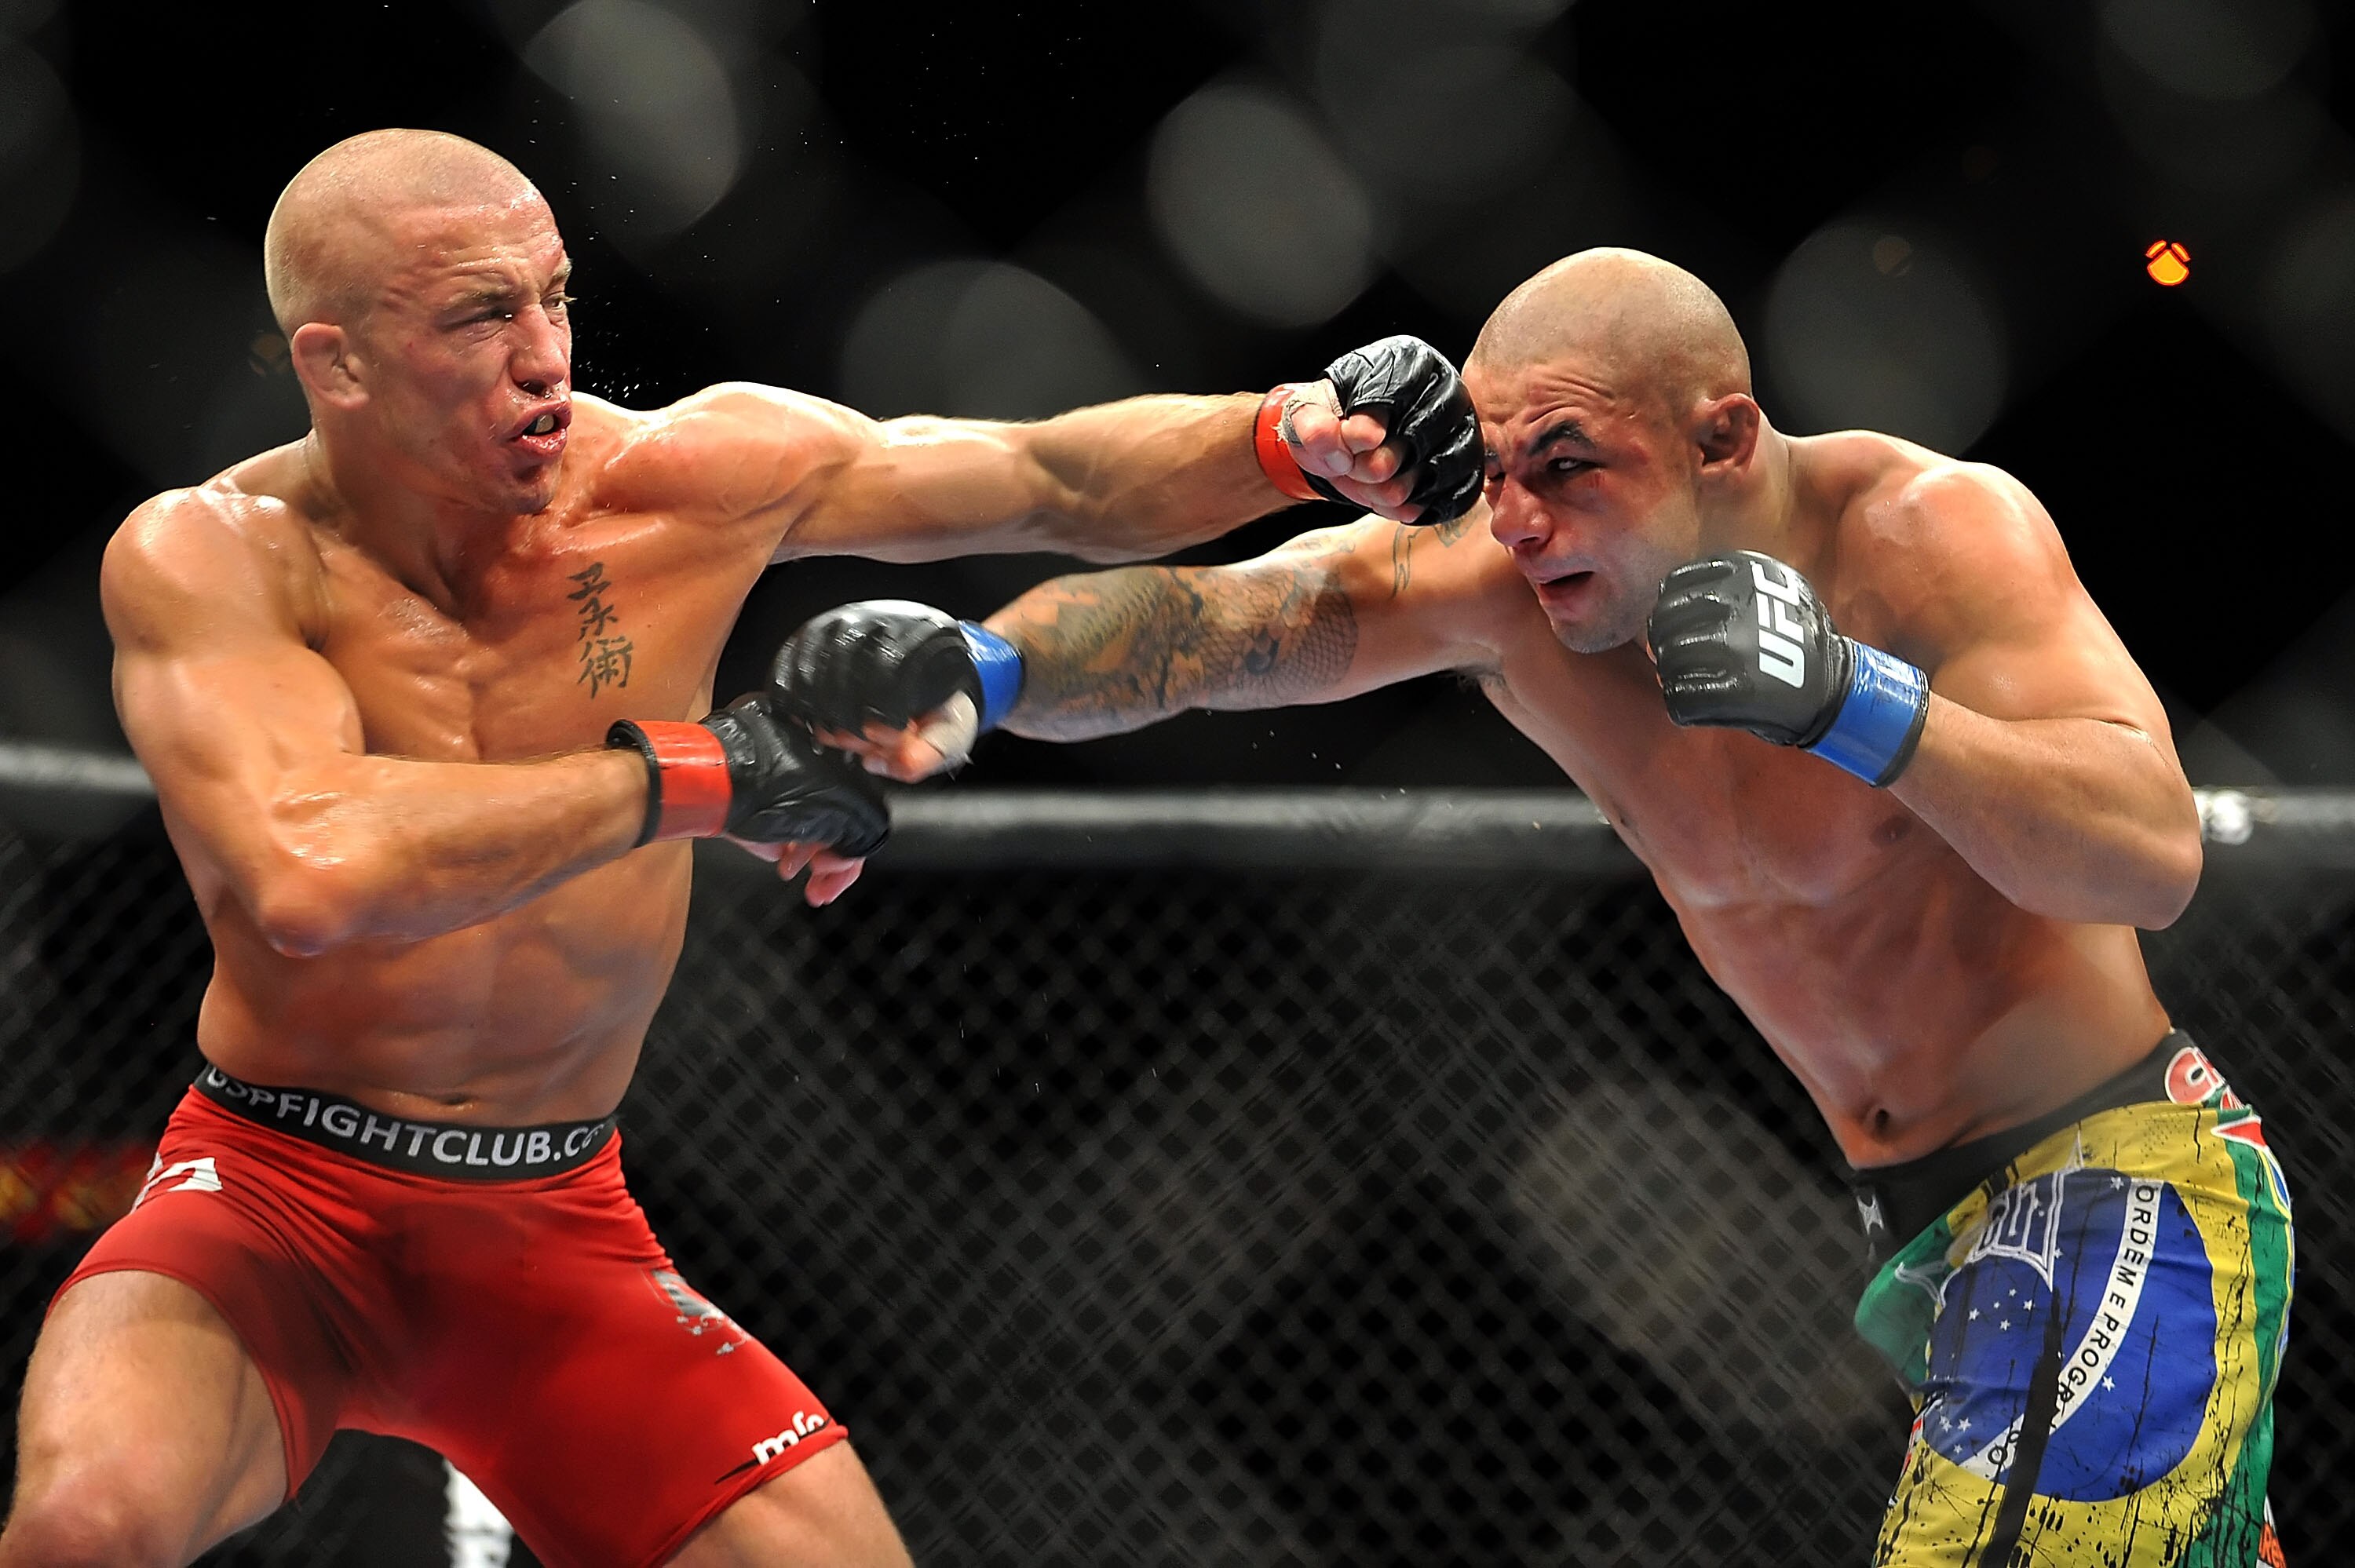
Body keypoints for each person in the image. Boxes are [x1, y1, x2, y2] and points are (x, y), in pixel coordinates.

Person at [0, 129, 1483, 1568]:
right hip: (275, 1201)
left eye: (558, 295)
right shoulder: (207, 553)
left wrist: (1282, 435)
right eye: (480, 314)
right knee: (83, 1527)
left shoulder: (677, 481)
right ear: (338, 365)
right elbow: (311, 872)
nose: (546, 356)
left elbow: (1055, 476)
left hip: (552, 1219)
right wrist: (718, 775)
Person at [769, 249, 2295, 1565]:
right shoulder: (1509, 593)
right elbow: (1228, 622)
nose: (1520, 520)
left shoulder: (1930, 537)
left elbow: (2148, 857)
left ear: (1723, 438)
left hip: (2122, 1183)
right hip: (1928, 1232)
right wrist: (980, 673)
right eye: (1495, 473)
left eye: (1568, 465)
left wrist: (1856, 702)